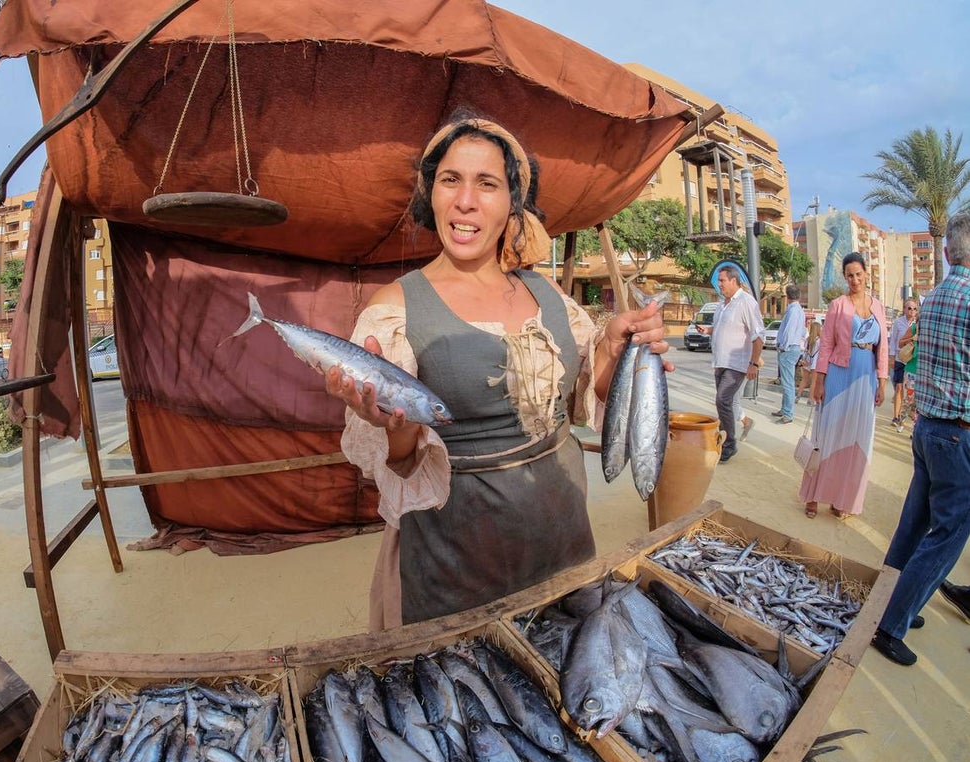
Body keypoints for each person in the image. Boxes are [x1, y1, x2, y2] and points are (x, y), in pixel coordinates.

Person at [324, 114, 670, 629]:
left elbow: (580, 398)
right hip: (458, 557)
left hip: (563, 534)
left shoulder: (548, 294)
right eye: (450, 180)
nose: (465, 201)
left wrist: (616, 354)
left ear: (513, 202)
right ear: (431, 194)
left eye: (487, 183)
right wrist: (392, 427)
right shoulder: (395, 310)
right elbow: (402, 461)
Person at [872, 212, 970, 666]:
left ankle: (889, 603)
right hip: (956, 433)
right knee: (948, 532)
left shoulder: (931, 300)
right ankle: (890, 624)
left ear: (946, 253)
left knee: (914, 523)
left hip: (927, 426)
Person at [800, 252, 888, 520]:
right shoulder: (837, 305)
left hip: (866, 378)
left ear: (866, 274)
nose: (854, 279)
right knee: (827, 434)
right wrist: (818, 381)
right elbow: (826, 344)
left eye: (858, 274)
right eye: (849, 275)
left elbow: (883, 348)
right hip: (839, 375)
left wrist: (882, 383)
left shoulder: (878, 307)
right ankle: (813, 496)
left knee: (856, 439)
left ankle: (841, 498)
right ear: (845, 277)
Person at [710, 266, 764, 463]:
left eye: (722, 280)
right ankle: (723, 440)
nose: (719, 284)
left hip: (736, 363)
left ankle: (729, 444)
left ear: (734, 280)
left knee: (723, 400)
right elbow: (720, 329)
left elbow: (758, 335)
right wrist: (707, 331)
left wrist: (753, 363)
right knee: (724, 403)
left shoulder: (746, 302)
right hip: (720, 362)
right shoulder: (722, 305)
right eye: (719, 281)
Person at [771, 284, 807, 424]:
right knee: (787, 381)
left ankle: (788, 413)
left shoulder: (792, 310)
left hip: (788, 348)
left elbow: (788, 331)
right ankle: (784, 409)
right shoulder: (799, 310)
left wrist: (783, 347)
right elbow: (802, 331)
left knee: (787, 383)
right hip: (794, 347)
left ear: (787, 296)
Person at [887, 299, 918, 432]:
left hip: (912, 360)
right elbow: (894, 341)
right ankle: (896, 416)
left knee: (912, 391)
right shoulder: (898, 323)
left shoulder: (918, 324)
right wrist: (891, 358)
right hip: (900, 358)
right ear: (904, 309)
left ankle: (910, 415)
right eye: (909, 308)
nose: (912, 311)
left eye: (914, 308)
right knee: (899, 387)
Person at [795, 321, 822, 403]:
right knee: (814, 382)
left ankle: (798, 397)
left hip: (807, 361)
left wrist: (803, 361)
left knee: (804, 380)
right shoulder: (820, 340)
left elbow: (805, 351)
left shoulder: (808, 339)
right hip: (815, 362)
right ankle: (810, 399)